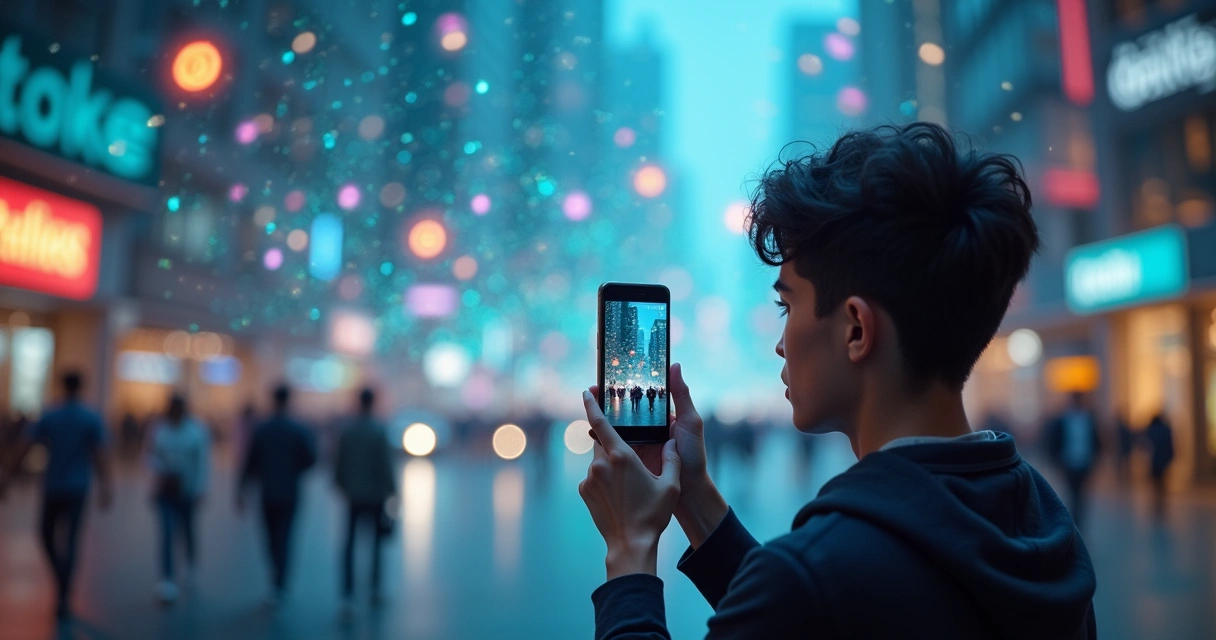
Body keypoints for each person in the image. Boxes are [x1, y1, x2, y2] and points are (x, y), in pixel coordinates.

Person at [575, 123, 1096, 638]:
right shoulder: (1045, 521)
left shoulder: (815, 575)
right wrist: (693, 496)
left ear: (855, 329)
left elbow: (809, 602)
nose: (780, 342)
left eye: (787, 304)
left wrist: (631, 548)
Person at [0, 371, 113, 621]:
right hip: (77, 486)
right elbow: (99, 454)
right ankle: (64, 583)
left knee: (47, 536)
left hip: (55, 486)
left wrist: (8, 478)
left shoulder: (51, 415)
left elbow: (24, 448)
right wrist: (106, 486)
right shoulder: (89, 417)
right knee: (69, 541)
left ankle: (62, 586)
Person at [236, 384, 317, 606]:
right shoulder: (298, 429)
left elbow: (249, 463)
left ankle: (275, 580)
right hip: (290, 492)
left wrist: (241, 490)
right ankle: (280, 583)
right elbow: (311, 459)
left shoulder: (262, 429)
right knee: (285, 537)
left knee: (270, 538)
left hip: (268, 492)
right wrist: (294, 470)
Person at [333, 388, 396, 614]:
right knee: (376, 544)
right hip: (376, 495)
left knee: (349, 544)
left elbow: (339, 461)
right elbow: (386, 465)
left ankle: (347, 594)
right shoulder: (379, 431)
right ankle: (375, 588)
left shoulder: (348, 431)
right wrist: (393, 491)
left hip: (353, 495)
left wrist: (340, 484)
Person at [148, 394, 211, 604]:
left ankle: (191, 565)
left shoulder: (197, 432)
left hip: (188, 491)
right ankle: (168, 579)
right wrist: (163, 472)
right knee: (166, 532)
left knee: (188, 529)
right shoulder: (159, 430)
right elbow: (149, 455)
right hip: (166, 490)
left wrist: (201, 488)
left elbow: (202, 462)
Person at [1045, 392, 1102, 527]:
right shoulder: (1063, 419)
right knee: (1073, 494)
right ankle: (1075, 521)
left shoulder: (1089, 418)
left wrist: (1096, 458)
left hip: (1085, 462)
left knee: (1081, 494)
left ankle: (1078, 520)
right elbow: (1054, 440)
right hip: (1068, 462)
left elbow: (1097, 440)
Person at [1144, 414, 1174, 520]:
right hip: (1163, 461)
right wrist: (1170, 458)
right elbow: (1171, 445)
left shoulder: (1151, 431)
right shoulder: (1166, 430)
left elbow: (1147, 446)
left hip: (1154, 461)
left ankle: (1157, 504)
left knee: (1156, 484)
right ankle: (1161, 504)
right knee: (1162, 483)